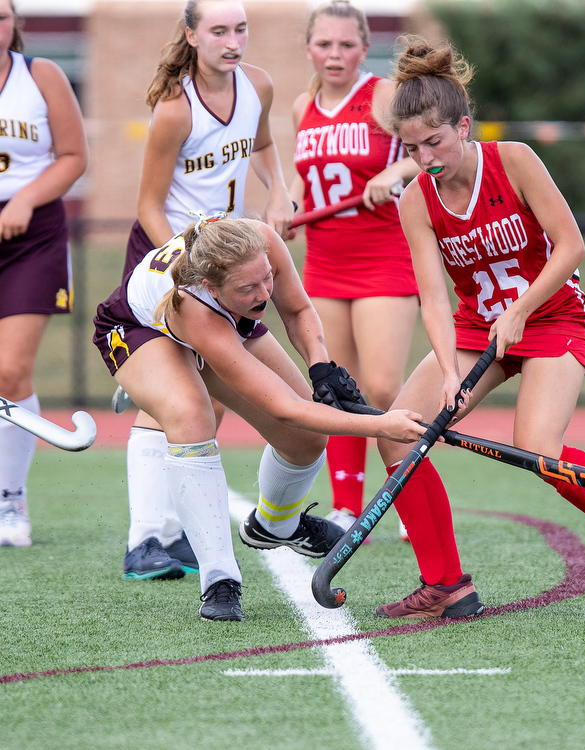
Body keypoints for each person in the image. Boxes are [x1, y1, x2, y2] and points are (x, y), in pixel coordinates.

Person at [365, 38, 585, 619]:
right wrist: (449, 372)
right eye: (412, 148)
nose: (424, 158)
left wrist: (520, 309)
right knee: (396, 432)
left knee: (538, 449)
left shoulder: (513, 160)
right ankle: (445, 583)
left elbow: (572, 247)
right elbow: (433, 297)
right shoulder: (417, 200)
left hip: (551, 318)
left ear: (463, 126)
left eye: (434, 142)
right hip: (476, 330)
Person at [93, 215, 426, 620]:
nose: (265, 291)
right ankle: (219, 580)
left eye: (266, 278)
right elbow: (285, 408)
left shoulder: (262, 240)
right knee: (191, 414)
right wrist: (382, 425)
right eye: (249, 287)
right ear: (213, 286)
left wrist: (320, 365)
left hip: (224, 315)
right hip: (137, 328)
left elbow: (298, 308)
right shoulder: (197, 306)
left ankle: (276, 524)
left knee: (304, 441)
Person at [120, 0, 297, 581]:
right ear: (192, 36)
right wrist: (182, 266)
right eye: (218, 30)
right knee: (174, 396)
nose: (232, 40)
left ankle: (175, 533)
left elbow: (264, 147)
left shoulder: (258, 86)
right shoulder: (175, 110)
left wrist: (276, 195)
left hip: (223, 262)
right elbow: (148, 204)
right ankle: (146, 539)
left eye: (240, 29)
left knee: (211, 395)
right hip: (168, 258)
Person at [289, 1, 419, 541]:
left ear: (364, 49)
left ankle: (412, 496)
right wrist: (288, 209)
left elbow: (429, 149)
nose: (335, 54)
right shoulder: (302, 105)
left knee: (384, 389)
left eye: (346, 45)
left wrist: (396, 169)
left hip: (384, 258)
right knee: (334, 391)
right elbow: (302, 176)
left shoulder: (384, 95)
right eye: (324, 44)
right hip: (323, 263)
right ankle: (346, 507)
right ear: (309, 48)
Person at [0, 0, 88, 547]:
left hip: (31, 235)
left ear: (14, 24)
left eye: (2, 15)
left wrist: (25, 200)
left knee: (9, 371)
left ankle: (11, 503)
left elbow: (74, 156)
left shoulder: (42, 75)